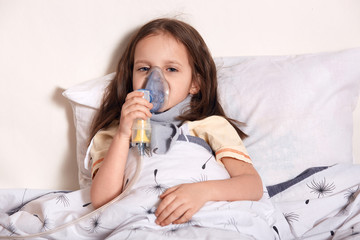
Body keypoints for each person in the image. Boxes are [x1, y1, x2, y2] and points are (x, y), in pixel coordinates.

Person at [89, 18, 263, 227]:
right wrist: (124, 134)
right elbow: (102, 201)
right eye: (144, 68)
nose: (155, 78)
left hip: (207, 218)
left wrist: (202, 192)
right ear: (130, 77)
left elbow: (252, 185)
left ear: (195, 83)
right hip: (140, 222)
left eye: (171, 69)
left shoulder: (210, 126)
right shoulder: (113, 134)